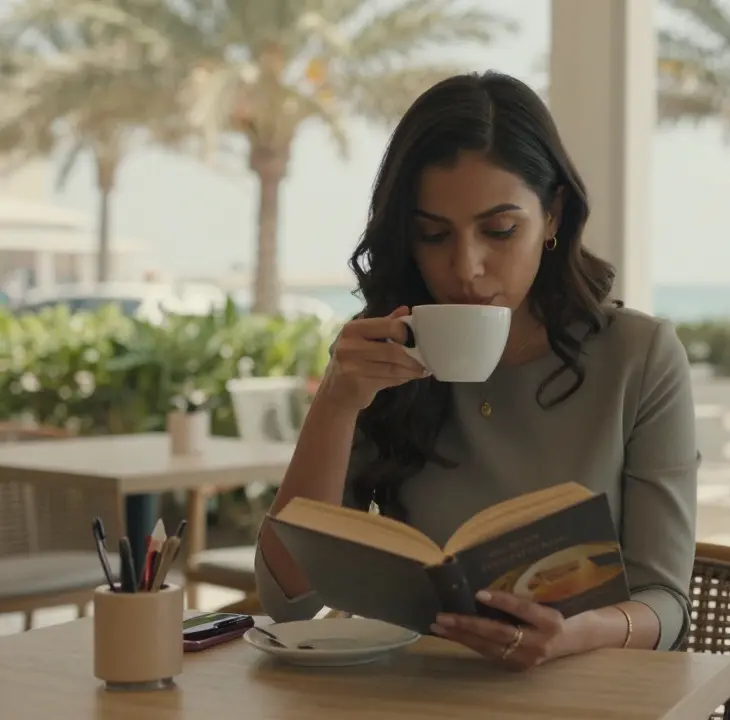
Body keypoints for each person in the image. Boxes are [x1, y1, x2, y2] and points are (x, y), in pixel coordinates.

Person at [254, 71, 699, 668]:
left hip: (584, 690)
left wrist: (573, 635)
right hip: (413, 692)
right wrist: (336, 399)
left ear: (555, 217)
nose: (466, 268)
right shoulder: (385, 353)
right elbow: (288, 597)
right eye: (433, 235)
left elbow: (665, 602)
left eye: (500, 230)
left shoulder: (639, 357)